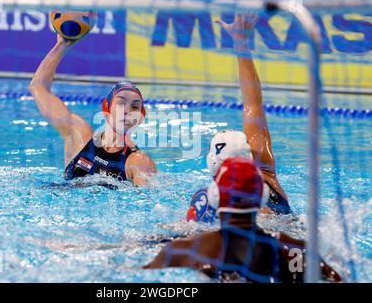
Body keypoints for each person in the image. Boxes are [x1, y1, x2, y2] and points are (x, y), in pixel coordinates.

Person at [146, 157, 341, 283]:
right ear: (262, 197)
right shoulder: (294, 249)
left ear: (215, 197)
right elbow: (335, 279)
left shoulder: (184, 251)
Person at [187, 14, 290, 222]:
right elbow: (253, 103)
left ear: (213, 163)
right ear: (250, 159)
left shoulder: (207, 201)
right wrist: (241, 42)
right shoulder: (266, 177)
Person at [28, 34, 156, 187]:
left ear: (140, 117)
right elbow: (38, 87)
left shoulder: (139, 162)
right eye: (121, 104)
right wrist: (63, 45)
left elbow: (146, 206)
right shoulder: (79, 136)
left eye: (135, 107)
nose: (127, 110)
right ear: (106, 109)